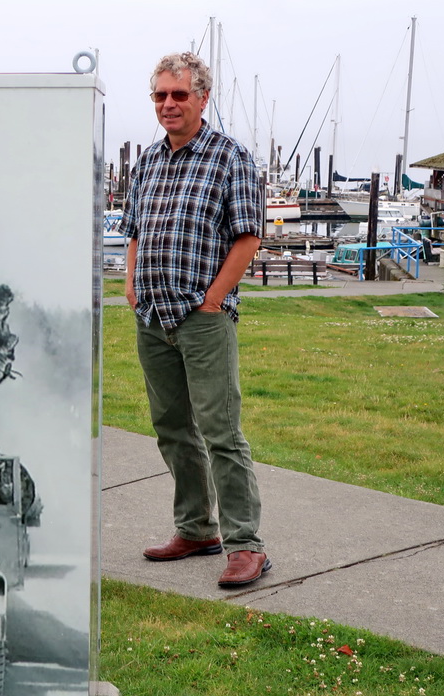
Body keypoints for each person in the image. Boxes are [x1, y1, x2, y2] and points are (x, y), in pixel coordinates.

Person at [118, 52, 269, 587]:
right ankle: (196, 528)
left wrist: (212, 299)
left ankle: (246, 545)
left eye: (179, 94)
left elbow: (248, 235)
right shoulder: (148, 163)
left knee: (221, 431)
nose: (168, 104)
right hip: (151, 316)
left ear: (202, 98)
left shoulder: (231, 158)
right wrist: (131, 282)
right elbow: (134, 229)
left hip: (203, 319)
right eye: (160, 95)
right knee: (172, 429)